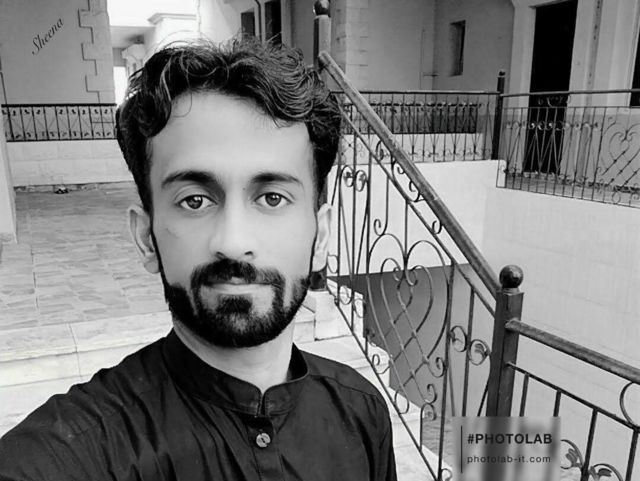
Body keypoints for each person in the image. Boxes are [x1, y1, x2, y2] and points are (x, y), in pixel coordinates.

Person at [0, 40, 397, 481]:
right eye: (194, 201)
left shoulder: (362, 413)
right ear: (146, 238)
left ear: (320, 236)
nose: (233, 242)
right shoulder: (73, 452)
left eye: (272, 197)